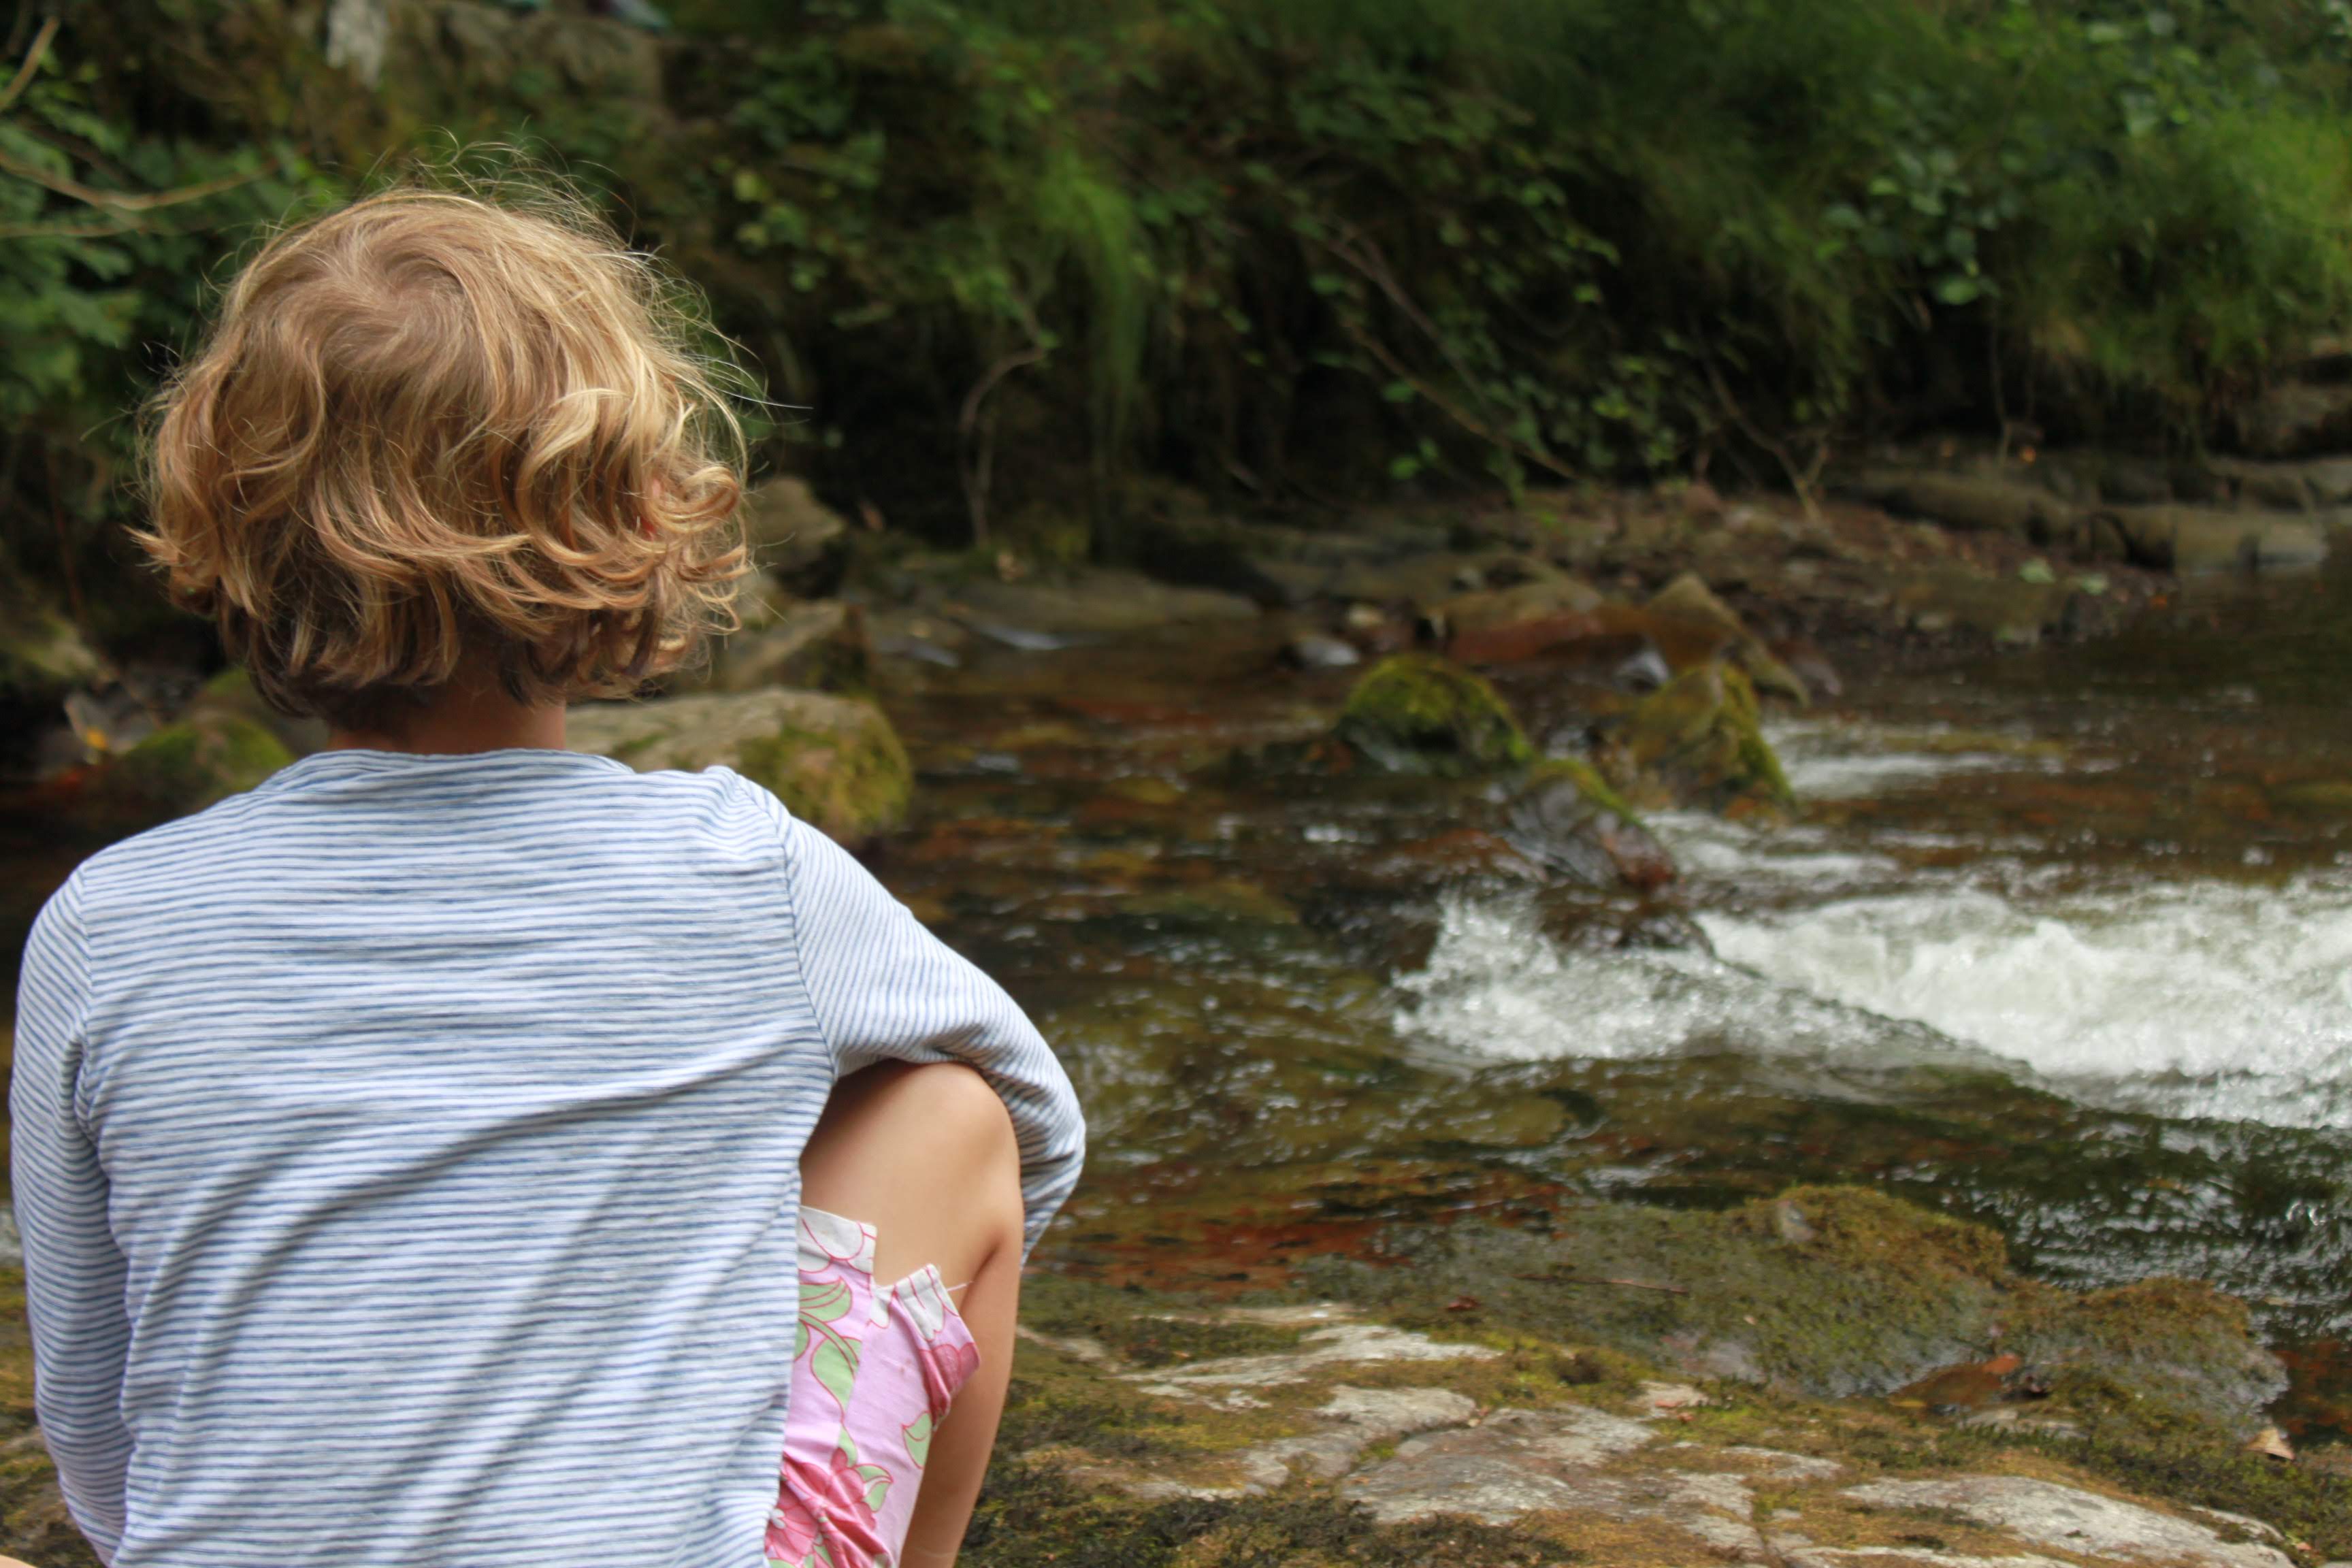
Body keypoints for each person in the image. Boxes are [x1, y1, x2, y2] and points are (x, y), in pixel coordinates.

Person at [10, 185, 1084, 1568]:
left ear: (234, 526)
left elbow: (95, 1420)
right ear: (636, 520)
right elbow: (1032, 1132)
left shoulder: (104, 924)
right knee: (947, 1114)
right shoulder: (748, 871)